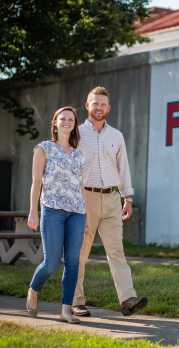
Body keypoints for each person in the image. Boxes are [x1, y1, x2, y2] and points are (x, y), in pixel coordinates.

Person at [72, 86, 147, 317]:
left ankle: (127, 299)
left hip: (113, 198)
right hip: (85, 197)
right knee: (80, 252)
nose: (99, 108)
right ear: (87, 105)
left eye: (103, 104)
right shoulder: (75, 133)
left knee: (116, 251)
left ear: (109, 108)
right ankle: (76, 301)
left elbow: (123, 168)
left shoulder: (116, 136)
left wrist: (128, 197)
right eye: (95, 103)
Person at [26, 106, 86, 324]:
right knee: (51, 263)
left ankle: (66, 310)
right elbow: (36, 182)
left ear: (75, 124)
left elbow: (80, 186)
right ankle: (34, 288)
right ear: (55, 122)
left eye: (71, 119)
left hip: (77, 213)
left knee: (73, 262)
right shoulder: (44, 148)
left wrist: (85, 215)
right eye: (63, 118)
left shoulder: (79, 154)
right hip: (52, 210)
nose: (67, 122)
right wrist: (33, 211)